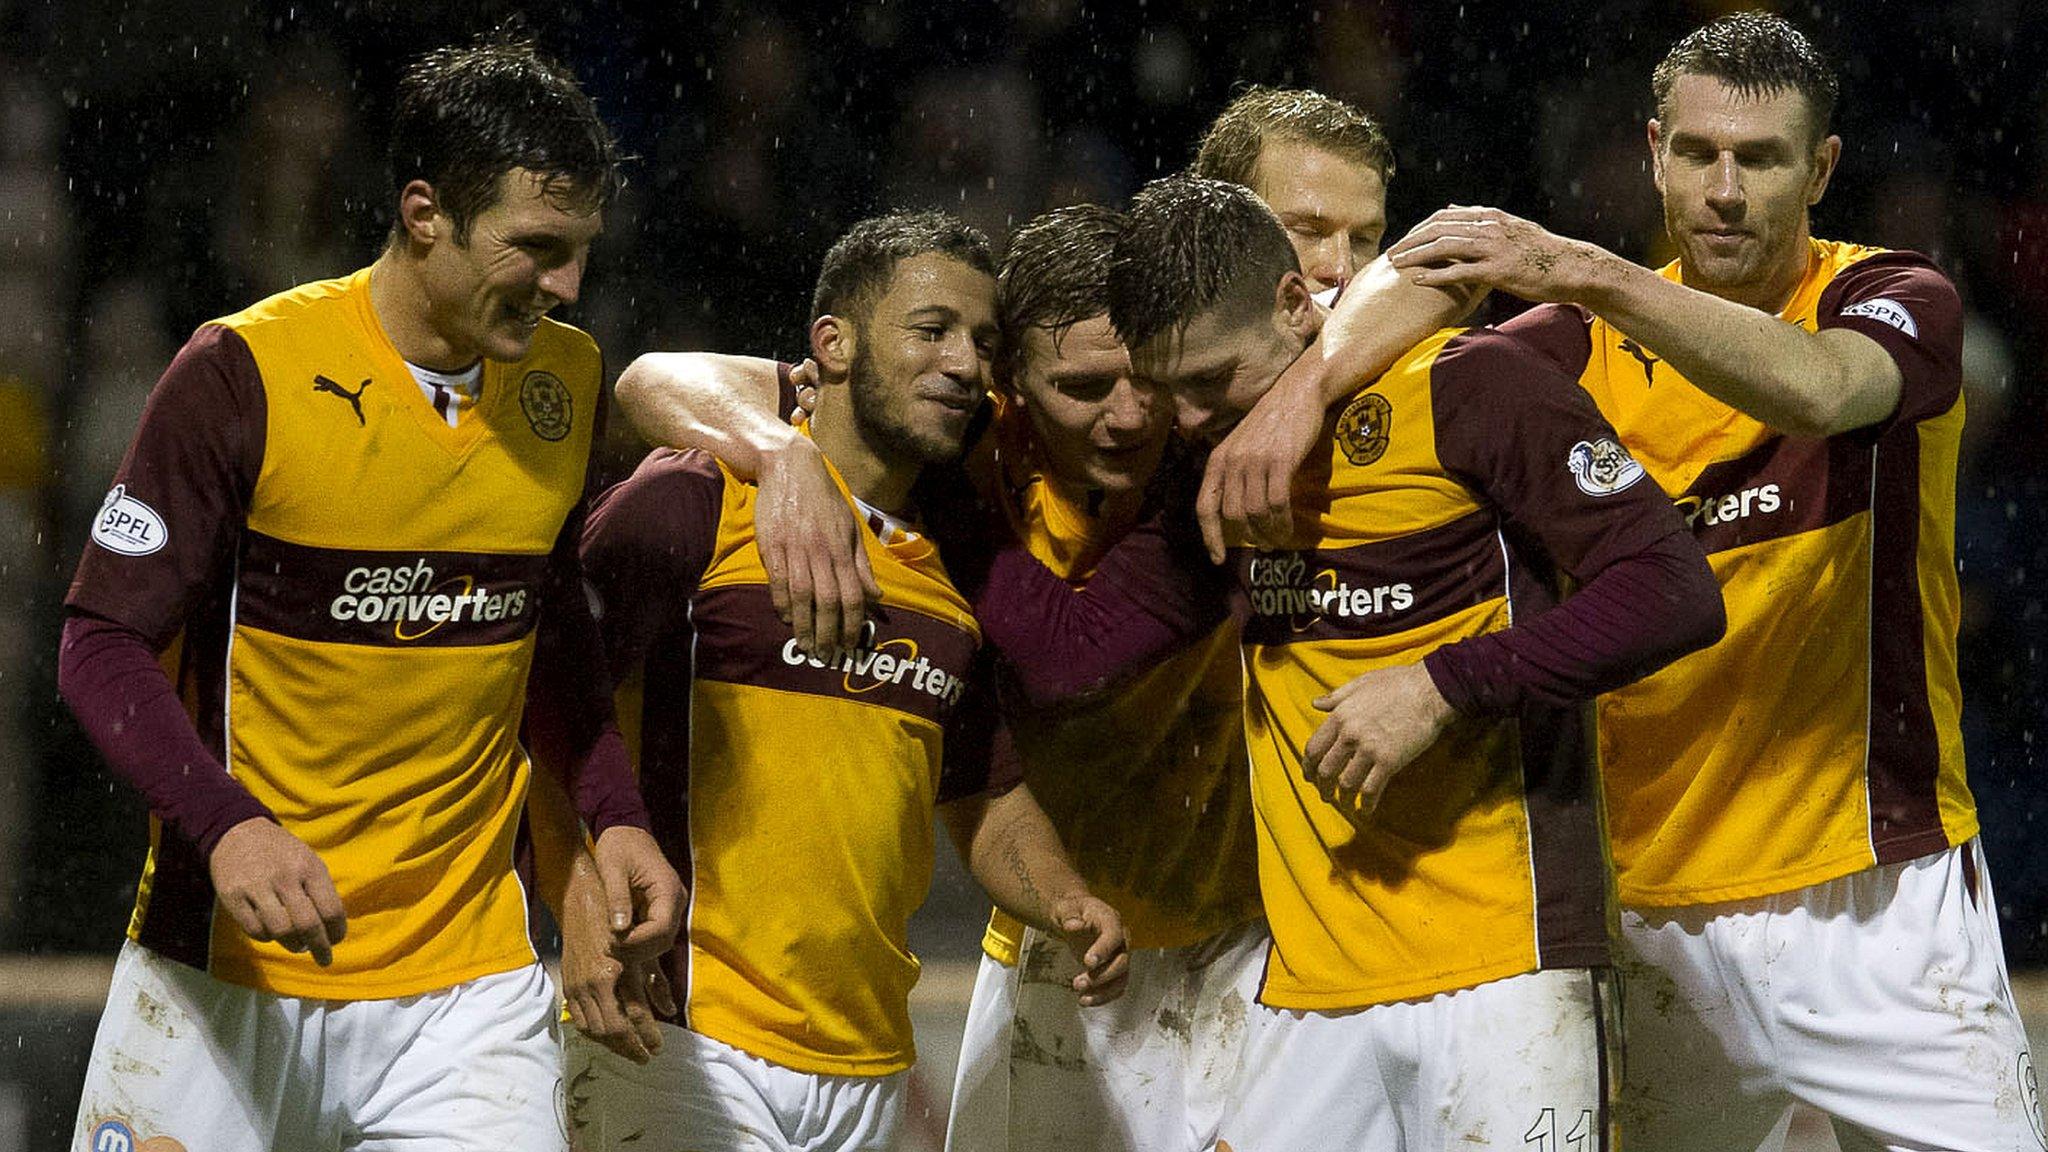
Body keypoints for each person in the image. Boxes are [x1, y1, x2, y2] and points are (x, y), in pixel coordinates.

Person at [1385, 13, 2045, 1149]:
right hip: (1645, 911)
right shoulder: (1560, 352)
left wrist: (1583, 273)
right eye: (1695, 155)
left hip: (1881, 901)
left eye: (1760, 158)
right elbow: (1397, 367)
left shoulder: (1890, 297)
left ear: (1821, 167)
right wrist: (1297, 400)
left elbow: (1820, 392)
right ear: (1652, 154)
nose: (1723, 190)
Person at [57, 36, 681, 1151]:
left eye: (581, 251)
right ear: (425, 211)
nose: (568, 286)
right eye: (537, 247)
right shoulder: (240, 374)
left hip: (466, 994)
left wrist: (613, 818)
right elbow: (100, 640)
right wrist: (228, 828)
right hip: (228, 972)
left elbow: (548, 644)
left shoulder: (567, 380)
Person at [1097, 172, 1723, 1149]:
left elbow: (1671, 594)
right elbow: (1076, 647)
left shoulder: (1469, 387)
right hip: (1306, 989)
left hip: (1504, 965)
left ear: (1293, 303)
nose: (1183, 421)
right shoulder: (1205, 463)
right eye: (1164, 390)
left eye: (1208, 383)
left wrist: (1440, 684)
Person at [558, 211, 1129, 1152]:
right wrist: (577, 898)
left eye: (983, 342)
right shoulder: (690, 503)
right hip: (679, 1032)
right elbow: (550, 712)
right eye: (931, 328)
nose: (962, 363)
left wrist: (1066, 897)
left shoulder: (955, 569)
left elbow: (981, 796)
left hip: (868, 1060)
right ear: (831, 342)